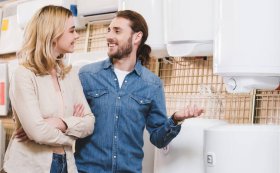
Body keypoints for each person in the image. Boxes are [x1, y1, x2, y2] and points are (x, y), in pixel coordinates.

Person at [74, 10, 204, 173]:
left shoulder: (152, 84)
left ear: (137, 37)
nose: (109, 36)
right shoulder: (87, 75)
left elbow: (158, 139)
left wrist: (176, 119)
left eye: (117, 31)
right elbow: (74, 121)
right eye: (109, 30)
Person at [4, 5, 95, 173]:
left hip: (66, 163)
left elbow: (89, 122)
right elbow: (38, 132)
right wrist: (72, 135)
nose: (77, 35)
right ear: (53, 35)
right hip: (29, 166)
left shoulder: (70, 74)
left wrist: (59, 122)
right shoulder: (24, 75)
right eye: (72, 30)